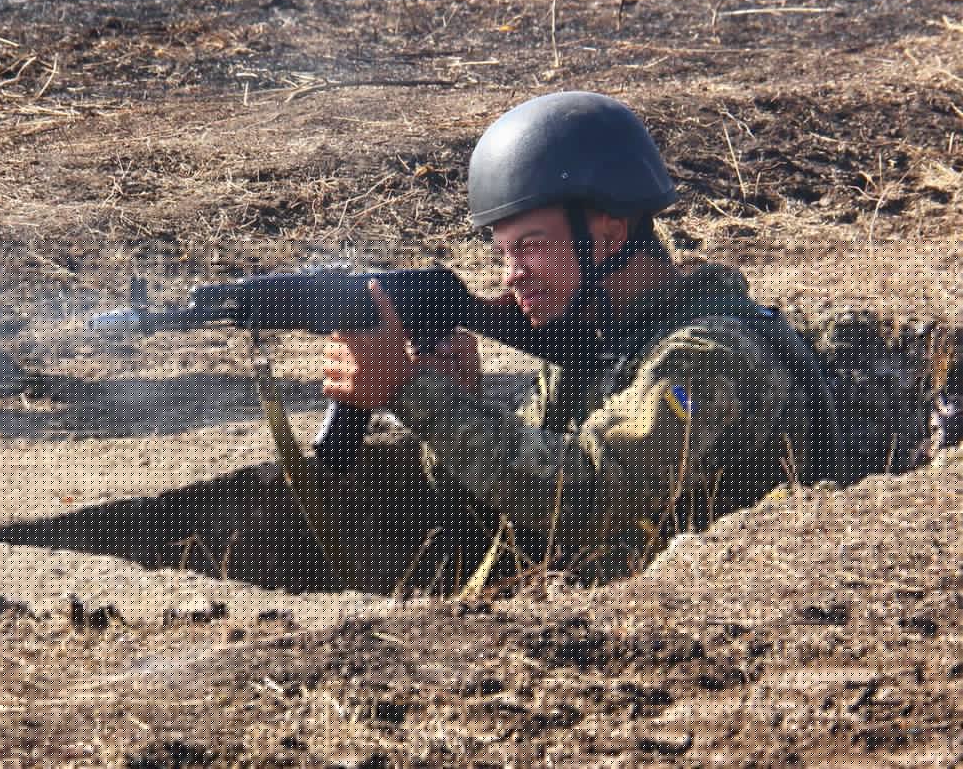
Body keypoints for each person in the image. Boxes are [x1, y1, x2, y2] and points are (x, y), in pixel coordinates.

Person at [323, 91, 841, 578]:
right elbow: (506, 516)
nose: (511, 276)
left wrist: (414, 394)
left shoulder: (709, 355)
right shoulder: (593, 345)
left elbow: (586, 499)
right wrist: (458, 402)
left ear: (610, 231)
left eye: (529, 245)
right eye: (504, 253)